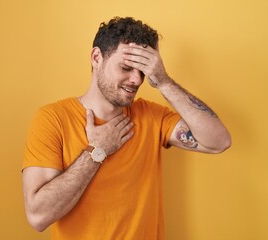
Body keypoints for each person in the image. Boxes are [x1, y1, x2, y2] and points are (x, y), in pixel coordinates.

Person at [22, 17, 231, 239]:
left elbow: (218, 142)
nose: (136, 80)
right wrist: (97, 151)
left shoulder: (151, 116)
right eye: (126, 67)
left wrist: (163, 81)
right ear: (96, 58)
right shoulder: (53, 118)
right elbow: (38, 216)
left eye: (143, 71)